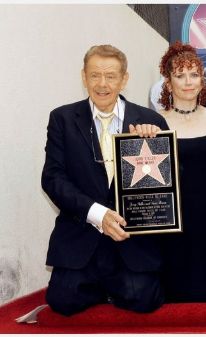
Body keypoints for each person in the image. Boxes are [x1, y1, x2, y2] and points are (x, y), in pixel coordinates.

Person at [41, 45, 169, 316]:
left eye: (110, 76)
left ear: (124, 79)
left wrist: (155, 146)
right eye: (94, 75)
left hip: (131, 238)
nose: (102, 84)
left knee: (143, 298)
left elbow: (168, 186)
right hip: (82, 233)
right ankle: (103, 286)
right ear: (84, 77)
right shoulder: (62, 119)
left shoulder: (150, 120)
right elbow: (53, 178)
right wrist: (98, 215)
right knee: (63, 301)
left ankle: (114, 285)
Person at [157, 41, 206, 302]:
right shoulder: (156, 123)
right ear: (169, 83)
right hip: (173, 216)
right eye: (180, 75)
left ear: (202, 80)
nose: (188, 81)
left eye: (194, 74)